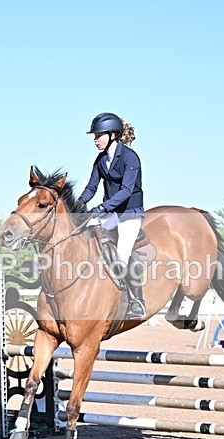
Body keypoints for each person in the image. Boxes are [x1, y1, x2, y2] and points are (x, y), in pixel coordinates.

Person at [77, 112, 146, 318]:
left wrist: (101, 208)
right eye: (95, 136)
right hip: (112, 212)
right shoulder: (100, 160)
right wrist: (77, 206)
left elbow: (126, 190)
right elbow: (91, 187)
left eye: (99, 135)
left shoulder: (129, 158)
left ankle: (136, 301)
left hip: (129, 213)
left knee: (122, 254)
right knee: (86, 237)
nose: (95, 140)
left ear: (112, 134)